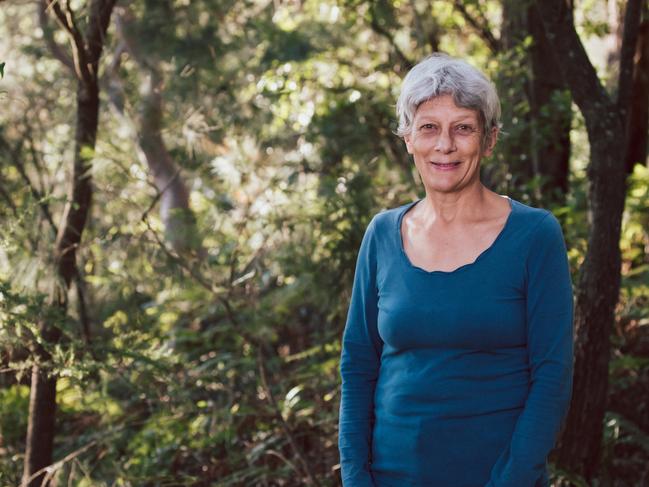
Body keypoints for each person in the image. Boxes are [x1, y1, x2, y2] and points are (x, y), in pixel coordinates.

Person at [337, 53, 574, 487]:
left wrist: (512, 480)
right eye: (428, 127)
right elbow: (358, 365)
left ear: (489, 139)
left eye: (462, 128)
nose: (444, 145)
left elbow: (552, 376)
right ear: (408, 138)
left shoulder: (535, 235)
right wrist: (355, 478)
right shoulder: (382, 234)